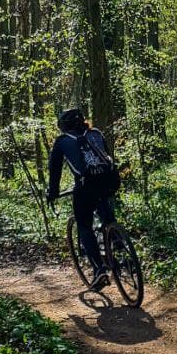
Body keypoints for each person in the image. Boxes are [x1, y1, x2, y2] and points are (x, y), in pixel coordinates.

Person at [46, 107, 118, 289]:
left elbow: (55, 170)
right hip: (110, 180)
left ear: (63, 127)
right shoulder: (96, 133)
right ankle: (116, 240)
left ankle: (99, 269)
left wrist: (52, 192)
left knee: (84, 225)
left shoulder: (62, 141)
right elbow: (108, 156)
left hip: (86, 186)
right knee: (105, 209)